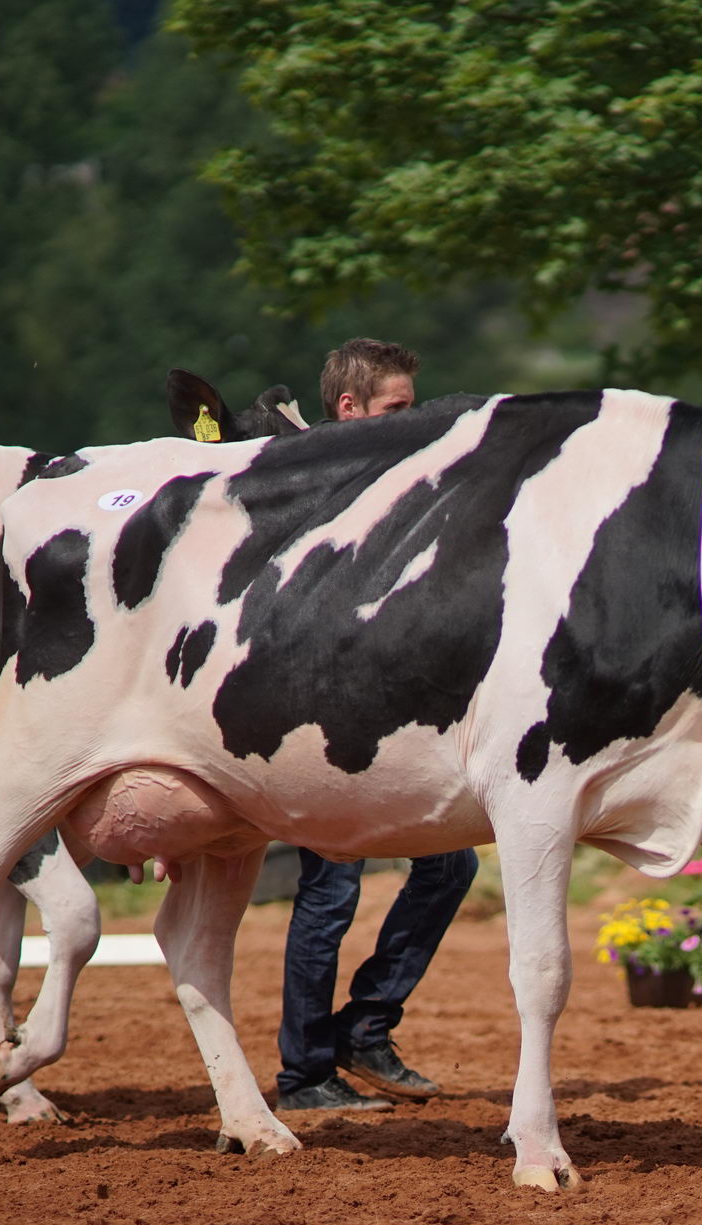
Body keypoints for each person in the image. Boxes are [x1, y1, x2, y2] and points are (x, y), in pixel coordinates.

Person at [274, 338, 482, 1113]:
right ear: (349, 408)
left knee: (451, 865)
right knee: (330, 892)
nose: (414, 423)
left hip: (394, 713)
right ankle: (303, 1074)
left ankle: (364, 1024)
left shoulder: (398, 483)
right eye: (398, 409)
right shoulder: (304, 483)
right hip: (318, 718)